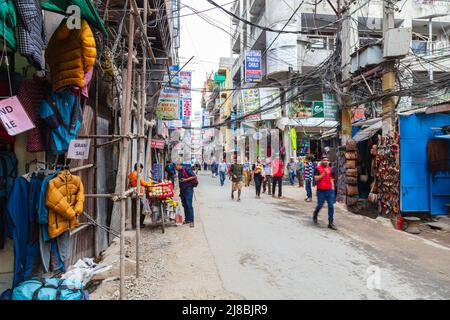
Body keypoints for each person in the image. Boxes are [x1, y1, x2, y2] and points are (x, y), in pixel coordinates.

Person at [313, 156, 337, 230]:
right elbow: (316, 178)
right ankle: (315, 214)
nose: (326, 161)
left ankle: (330, 222)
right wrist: (324, 174)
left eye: (327, 160)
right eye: (324, 160)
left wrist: (333, 190)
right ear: (321, 161)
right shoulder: (317, 168)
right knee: (320, 205)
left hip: (329, 190)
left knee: (331, 206)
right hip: (321, 191)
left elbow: (332, 179)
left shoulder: (331, 169)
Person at [129, 163, 154, 228]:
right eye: (141, 168)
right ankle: (139, 224)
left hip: (134, 194)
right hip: (137, 194)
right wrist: (151, 182)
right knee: (142, 210)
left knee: (135, 210)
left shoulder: (132, 174)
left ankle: (136, 224)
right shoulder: (136, 175)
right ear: (138, 168)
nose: (141, 170)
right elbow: (143, 183)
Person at [175, 162, 197, 228]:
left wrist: (186, 179)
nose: (175, 168)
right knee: (184, 205)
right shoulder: (179, 171)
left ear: (179, 165)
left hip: (188, 189)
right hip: (182, 190)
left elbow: (194, 176)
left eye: (175, 166)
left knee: (189, 205)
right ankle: (187, 219)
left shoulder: (186, 169)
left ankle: (191, 221)